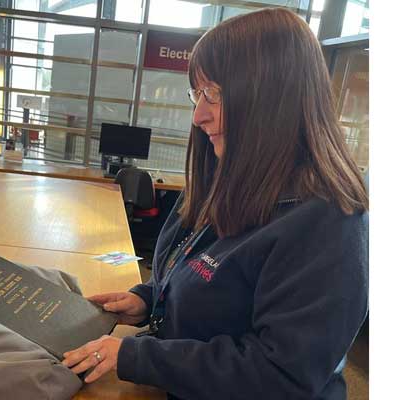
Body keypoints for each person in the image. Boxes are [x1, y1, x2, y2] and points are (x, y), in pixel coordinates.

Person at [62, 7, 368, 400]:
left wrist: (141, 356)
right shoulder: (225, 176)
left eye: (215, 94)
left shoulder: (328, 221)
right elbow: (209, 283)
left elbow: (280, 375)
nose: (198, 115)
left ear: (274, 98)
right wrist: (149, 299)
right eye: (197, 93)